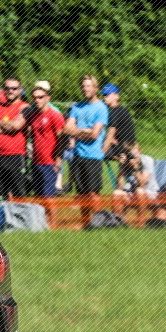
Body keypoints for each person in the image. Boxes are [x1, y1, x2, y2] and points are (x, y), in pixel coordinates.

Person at [65, 75, 109, 222]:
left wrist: (76, 131)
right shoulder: (77, 107)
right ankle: (86, 223)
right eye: (83, 86)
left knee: (93, 193)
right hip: (78, 155)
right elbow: (67, 129)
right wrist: (85, 131)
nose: (85, 89)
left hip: (93, 156)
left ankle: (99, 222)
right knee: (82, 193)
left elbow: (94, 134)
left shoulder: (101, 108)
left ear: (95, 88)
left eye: (88, 86)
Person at [0, 78, 28, 201]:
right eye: (7, 88)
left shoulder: (24, 107)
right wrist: (9, 127)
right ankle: (0, 214)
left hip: (15, 156)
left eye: (14, 88)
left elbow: (16, 126)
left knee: (18, 195)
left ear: (20, 90)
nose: (10, 91)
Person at [24, 81, 65, 198]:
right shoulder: (33, 115)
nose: (37, 100)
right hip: (36, 162)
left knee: (48, 199)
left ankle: (52, 213)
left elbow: (62, 139)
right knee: (38, 198)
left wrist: (58, 159)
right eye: (35, 97)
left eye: (40, 97)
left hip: (50, 163)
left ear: (48, 98)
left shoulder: (54, 115)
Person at [112, 141, 157, 224]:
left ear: (140, 151)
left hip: (149, 192)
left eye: (135, 153)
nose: (133, 156)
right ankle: (119, 223)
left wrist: (136, 168)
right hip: (131, 192)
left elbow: (142, 184)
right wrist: (122, 167)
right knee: (116, 193)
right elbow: (119, 187)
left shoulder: (147, 160)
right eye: (130, 154)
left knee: (139, 191)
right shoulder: (125, 162)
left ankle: (141, 222)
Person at [100, 84, 136, 165]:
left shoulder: (115, 111)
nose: (105, 97)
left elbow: (110, 134)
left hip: (123, 148)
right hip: (124, 145)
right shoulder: (120, 109)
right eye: (104, 95)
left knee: (95, 147)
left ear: (116, 96)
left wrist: (101, 153)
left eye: (107, 95)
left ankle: (121, 158)